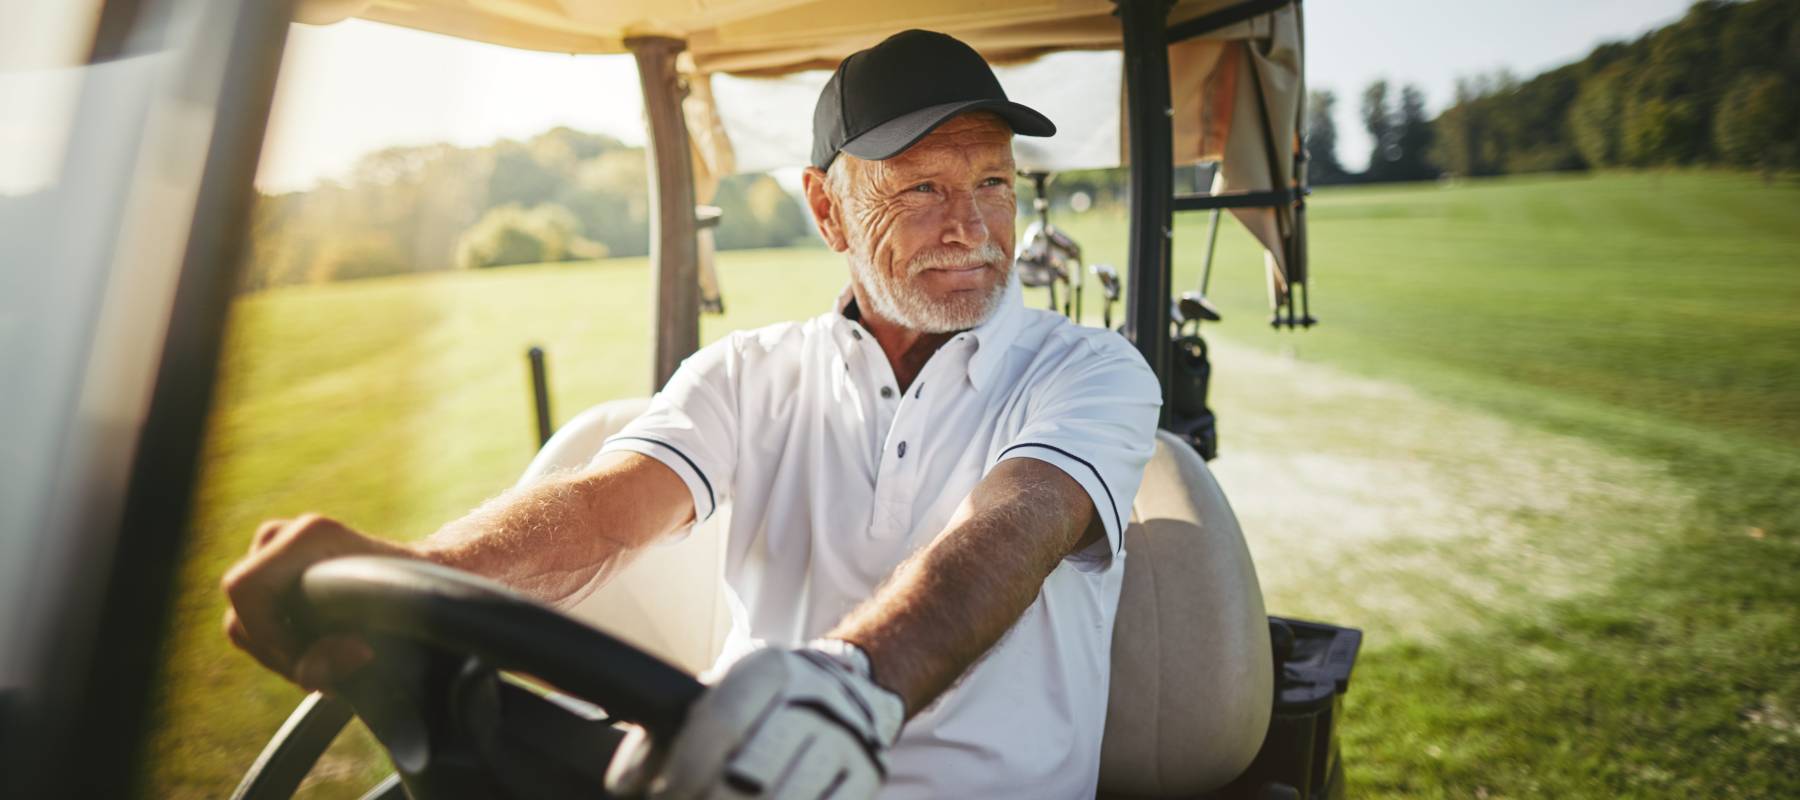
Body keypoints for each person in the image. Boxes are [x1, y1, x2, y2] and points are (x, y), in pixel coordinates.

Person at [221, 29, 1160, 799]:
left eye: (993, 182)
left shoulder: (1089, 371)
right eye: (921, 188)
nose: (972, 225)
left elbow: (1014, 525)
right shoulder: (747, 373)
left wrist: (846, 688)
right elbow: (605, 509)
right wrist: (416, 575)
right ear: (827, 211)